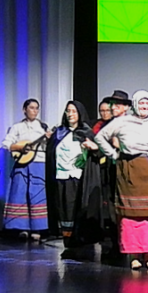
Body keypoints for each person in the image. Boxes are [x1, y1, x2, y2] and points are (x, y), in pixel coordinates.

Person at [95, 90, 148, 269]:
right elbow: (99, 137)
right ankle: (134, 255)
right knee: (132, 217)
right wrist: (113, 154)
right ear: (136, 105)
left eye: (147, 104)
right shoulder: (122, 121)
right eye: (142, 104)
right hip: (131, 171)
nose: (145, 107)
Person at [45, 101, 103, 247]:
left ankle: (79, 241)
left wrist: (93, 148)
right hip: (60, 176)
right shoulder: (59, 132)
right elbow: (51, 153)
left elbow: (98, 152)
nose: (70, 114)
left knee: (77, 208)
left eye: (74, 111)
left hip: (79, 177)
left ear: (80, 113)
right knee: (63, 209)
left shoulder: (86, 132)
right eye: (68, 111)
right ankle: (67, 240)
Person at [1, 98, 52, 240]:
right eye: (31, 108)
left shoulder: (42, 127)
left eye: (37, 108)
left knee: (37, 194)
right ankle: (21, 227)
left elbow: (48, 147)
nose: (34, 111)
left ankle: (38, 229)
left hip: (39, 163)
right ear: (24, 110)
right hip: (22, 164)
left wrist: (48, 139)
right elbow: (6, 144)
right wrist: (20, 147)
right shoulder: (17, 127)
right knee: (20, 193)